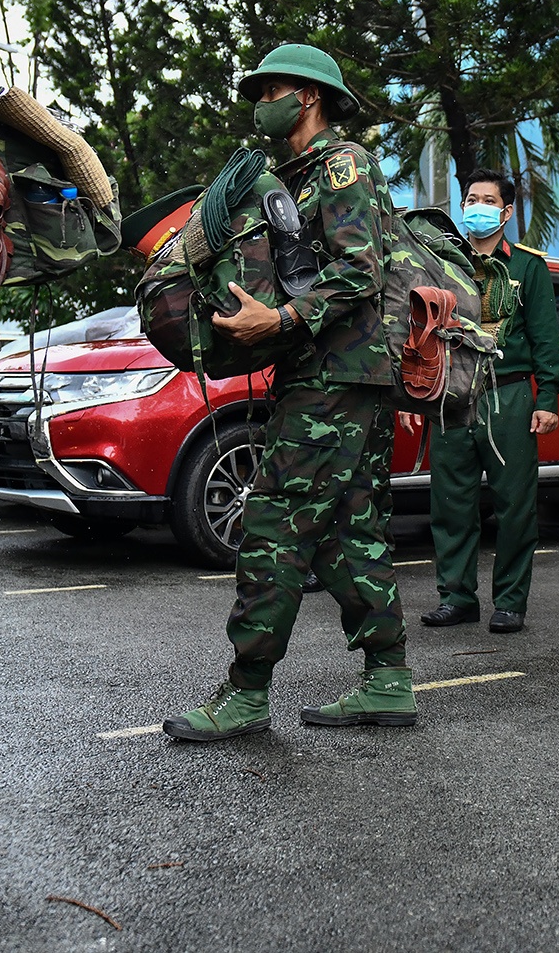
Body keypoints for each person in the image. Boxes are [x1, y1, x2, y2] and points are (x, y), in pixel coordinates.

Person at [164, 45, 416, 739]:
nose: (260, 99)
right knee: (348, 528)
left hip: (335, 374)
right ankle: (388, 678)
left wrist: (279, 319)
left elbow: (359, 270)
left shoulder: (342, 164)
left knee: (274, 523)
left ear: (307, 95)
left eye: (270, 87)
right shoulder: (293, 175)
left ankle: (246, 691)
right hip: (341, 373)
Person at [422, 170, 559, 632]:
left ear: (505, 212)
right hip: (450, 398)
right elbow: (420, 334)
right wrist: (411, 397)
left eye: (487, 200)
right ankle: (456, 597)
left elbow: (545, 339)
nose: (475, 206)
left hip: (509, 396)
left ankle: (510, 602)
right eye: (469, 198)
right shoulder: (442, 263)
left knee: (515, 504)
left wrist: (549, 399)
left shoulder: (528, 267)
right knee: (450, 504)